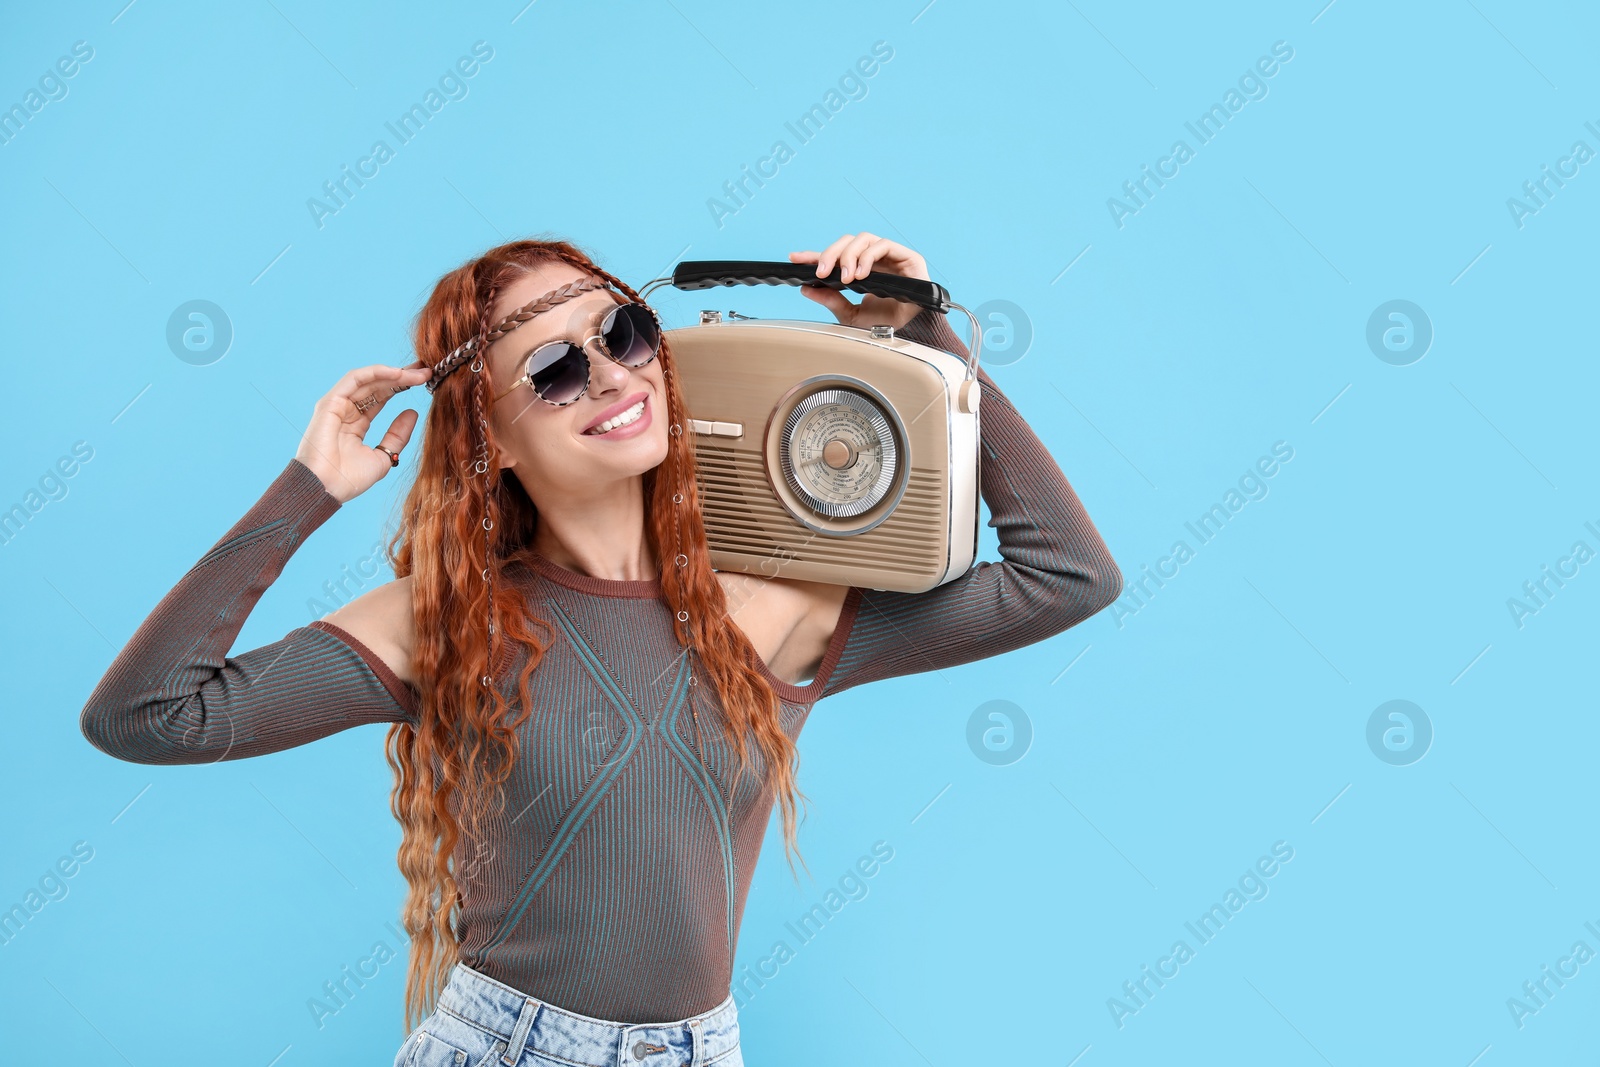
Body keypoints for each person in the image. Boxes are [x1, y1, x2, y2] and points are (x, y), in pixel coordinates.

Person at [79, 231, 1122, 1067]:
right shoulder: (444, 618)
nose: (610, 376)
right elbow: (148, 715)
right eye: (551, 368)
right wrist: (304, 490)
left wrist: (919, 337)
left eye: (622, 331)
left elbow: (1066, 574)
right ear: (486, 433)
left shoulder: (778, 598)